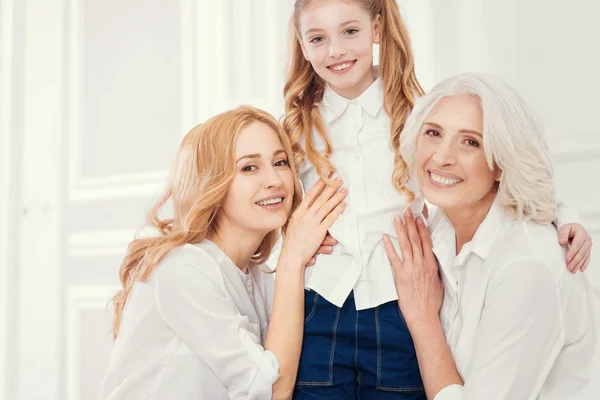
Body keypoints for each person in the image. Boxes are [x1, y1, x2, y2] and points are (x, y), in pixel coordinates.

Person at [283, 0, 594, 398]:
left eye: (350, 31)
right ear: (302, 44)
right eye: (318, 38)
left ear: (377, 29)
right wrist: (294, 242)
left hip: (399, 300)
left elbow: (509, 163)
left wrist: (564, 216)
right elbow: (268, 201)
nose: (336, 50)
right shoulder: (296, 124)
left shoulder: (418, 114)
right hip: (323, 300)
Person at [98, 106, 347, 399]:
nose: (275, 180)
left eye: (280, 162)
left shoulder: (256, 278)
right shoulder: (182, 270)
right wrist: (292, 260)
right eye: (249, 167)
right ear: (212, 184)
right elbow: (272, 392)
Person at [384, 72, 599, 399]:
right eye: (434, 133)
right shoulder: (439, 228)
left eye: (470, 141)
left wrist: (424, 320)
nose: (442, 157)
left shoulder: (527, 266)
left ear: (501, 163)